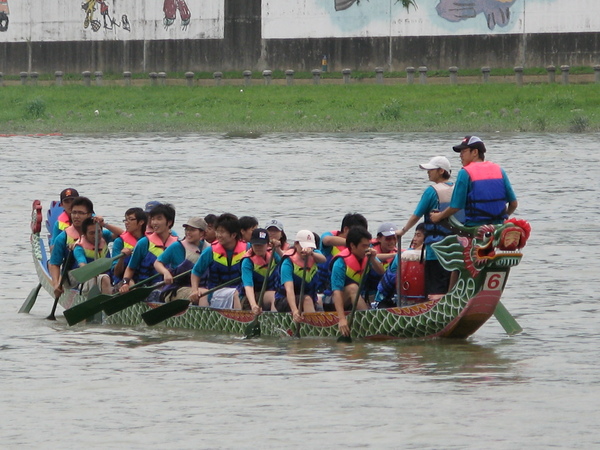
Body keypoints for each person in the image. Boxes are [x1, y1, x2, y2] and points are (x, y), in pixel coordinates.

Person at [397, 156, 457, 297]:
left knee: (434, 292)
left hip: (435, 251)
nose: (428, 172)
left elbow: (416, 215)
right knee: (448, 289)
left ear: (441, 171)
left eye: (431, 169)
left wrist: (403, 231)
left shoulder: (431, 191)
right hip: (455, 250)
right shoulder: (457, 190)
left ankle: (436, 314)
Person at [430, 136, 518, 227]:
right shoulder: (499, 170)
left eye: (463, 151)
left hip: (475, 229)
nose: (460, 155)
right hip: (499, 227)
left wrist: (439, 216)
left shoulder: (465, 172)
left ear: (475, 152)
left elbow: (455, 206)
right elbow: (514, 204)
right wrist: (505, 217)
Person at [49, 196, 120, 298]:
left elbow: (122, 236)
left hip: (102, 275)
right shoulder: (63, 237)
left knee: (104, 278)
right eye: (74, 212)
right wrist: (56, 285)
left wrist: (104, 224)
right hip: (75, 277)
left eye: (81, 213)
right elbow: (54, 264)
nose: (76, 216)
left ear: (90, 215)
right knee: (101, 279)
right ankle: (107, 303)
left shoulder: (99, 233)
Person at [331, 226, 384, 337]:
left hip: (355, 300)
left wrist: (373, 258)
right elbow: (336, 292)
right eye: (363, 246)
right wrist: (341, 319)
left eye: (368, 245)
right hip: (335, 301)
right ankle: (369, 323)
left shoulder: (368, 256)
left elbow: (381, 271)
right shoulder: (340, 262)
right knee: (352, 288)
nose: (367, 249)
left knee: (354, 289)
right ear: (352, 246)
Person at [189, 213, 246, 309]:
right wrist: (194, 290)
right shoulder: (210, 251)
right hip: (215, 291)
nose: (218, 235)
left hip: (241, 291)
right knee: (233, 294)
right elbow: (196, 272)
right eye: (217, 231)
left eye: (222, 232)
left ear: (233, 235)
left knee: (235, 293)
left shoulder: (247, 249)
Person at [119, 203, 178, 292]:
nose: (154, 222)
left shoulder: (177, 244)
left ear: (169, 222)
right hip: (146, 288)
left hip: (170, 288)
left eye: (159, 218)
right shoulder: (144, 243)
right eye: (152, 219)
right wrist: (125, 283)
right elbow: (130, 268)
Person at [317, 213, 369, 306]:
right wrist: (354, 242)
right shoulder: (329, 237)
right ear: (346, 229)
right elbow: (327, 240)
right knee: (352, 288)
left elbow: (375, 257)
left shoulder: (362, 246)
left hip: (351, 291)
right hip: (325, 291)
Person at [153, 217, 209, 301]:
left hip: (201, 287)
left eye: (192, 230)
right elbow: (157, 263)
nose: (188, 233)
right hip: (176, 289)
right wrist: (166, 273)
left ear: (202, 233)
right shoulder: (176, 246)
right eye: (187, 229)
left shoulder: (208, 248)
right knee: (203, 294)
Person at [274, 230, 326, 320]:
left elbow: (323, 260)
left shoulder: (315, 254)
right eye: (303, 246)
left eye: (309, 247)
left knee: (318, 305)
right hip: (284, 300)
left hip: (310, 297)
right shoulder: (288, 262)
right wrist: (294, 311)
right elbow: (289, 289)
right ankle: (312, 328)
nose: (305, 249)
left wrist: (312, 253)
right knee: (307, 300)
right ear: (296, 244)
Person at [241, 228, 280, 314]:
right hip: (250, 298)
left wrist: (277, 248)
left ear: (268, 245)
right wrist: (254, 305)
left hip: (270, 292)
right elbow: (248, 286)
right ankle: (275, 323)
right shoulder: (247, 261)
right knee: (275, 296)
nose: (258, 248)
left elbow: (286, 262)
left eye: (261, 245)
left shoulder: (273, 254)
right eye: (256, 245)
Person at [72, 217, 112, 294]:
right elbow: (83, 266)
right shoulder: (79, 248)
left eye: (98, 232)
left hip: (108, 277)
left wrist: (104, 224)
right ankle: (109, 302)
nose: (96, 235)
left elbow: (122, 234)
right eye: (92, 233)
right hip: (86, 281)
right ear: (84, 234)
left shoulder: (104, 237)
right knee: (104, 278)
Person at [111, 207, 147, 284]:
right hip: (123, 281)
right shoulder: (119, 242)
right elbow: (116, 273)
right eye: (126, 220)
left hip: (144, 279)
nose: (126, 222)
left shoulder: (148, 241)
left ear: (141, 222)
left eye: (130, 219)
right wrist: (121, 258)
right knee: (130, 282)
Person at [364, 222, 399, 299]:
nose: (392, 241)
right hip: (368, 293)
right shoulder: (368, 248)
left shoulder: (398, 252)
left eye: (394, 238)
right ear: (379, 239)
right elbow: (369, 255)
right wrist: (394, 256)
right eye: (388, 238)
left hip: (385, 293)